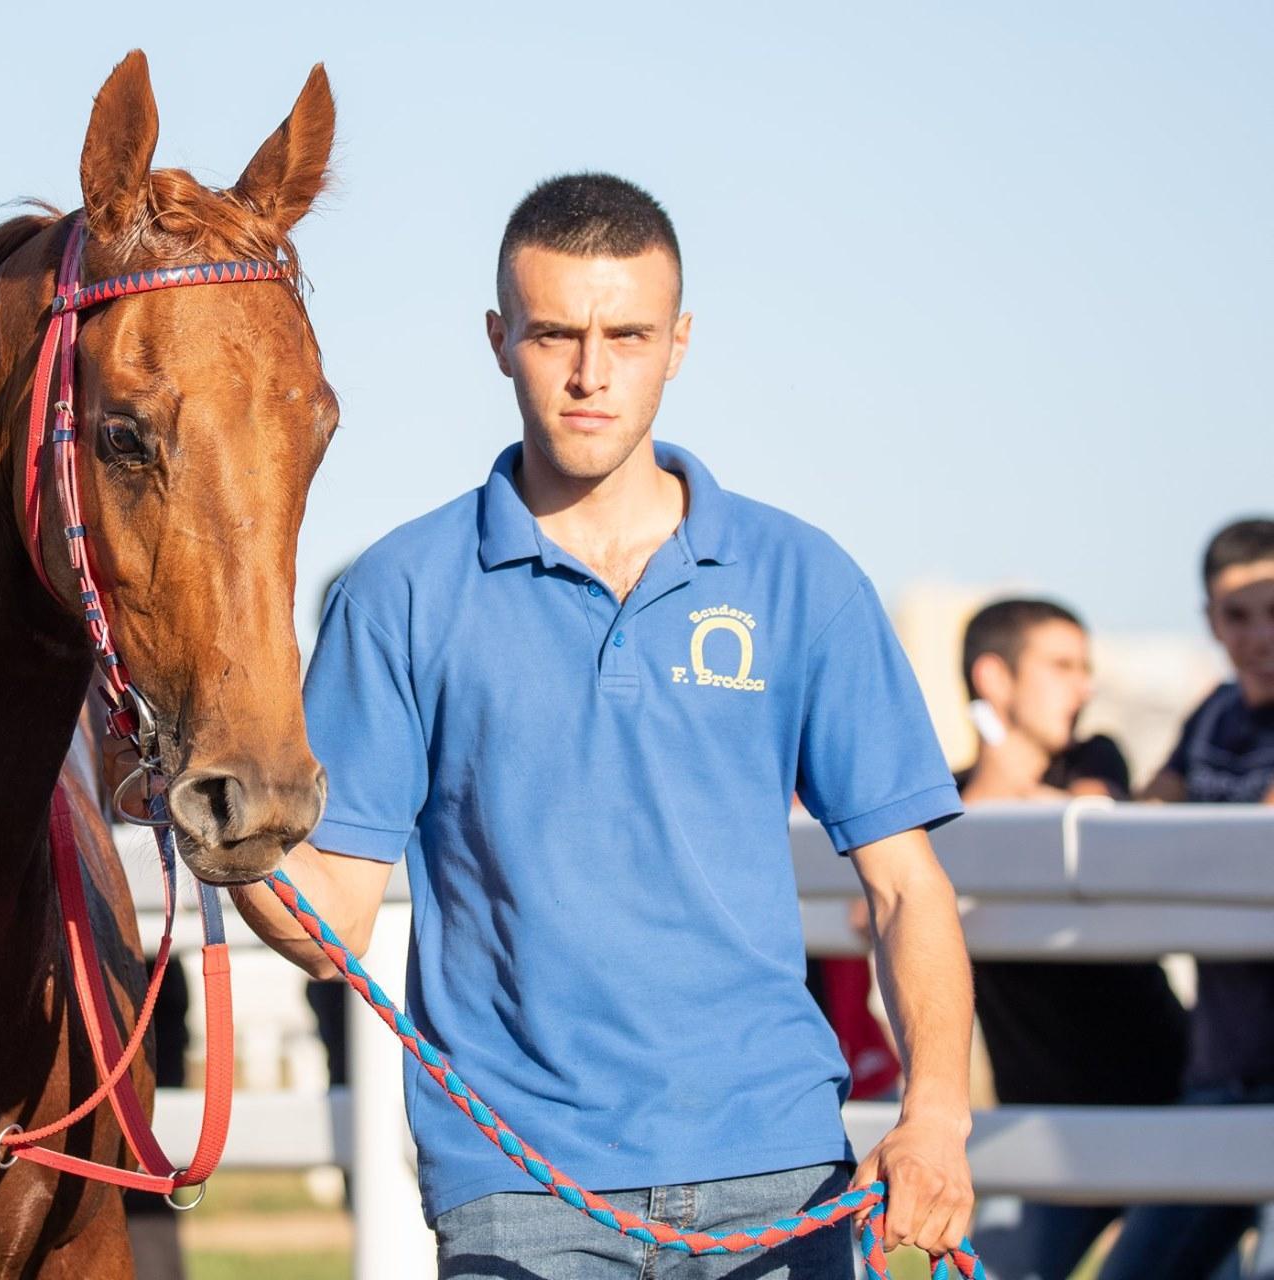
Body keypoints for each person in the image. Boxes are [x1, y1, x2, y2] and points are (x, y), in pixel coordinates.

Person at [232, 173, 976, 1276]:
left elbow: (907, 886)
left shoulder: (800, 576)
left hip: (777, 1163)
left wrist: (937, 1118)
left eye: (626, 335)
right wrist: (222, 827)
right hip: (519, 1181)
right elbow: (330, 924)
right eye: (553, 334)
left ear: (678, 344)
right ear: (499, 340)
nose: (590, 372)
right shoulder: (400, 591)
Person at [952, 599, 1188, 1280]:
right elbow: (882, 898)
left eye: (1085, 668)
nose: (1084, 687)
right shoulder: (946, 789)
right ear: (994, 678)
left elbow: (1095, 826)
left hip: (1161, 1104)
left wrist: (998, 805)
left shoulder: (1095, 754)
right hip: (1037, 1121)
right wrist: (992, 778)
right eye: (1062, 666)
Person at [1097, 519, 1274, 1280]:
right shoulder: (1213, 714)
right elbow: (1144, 827)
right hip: (1220, 1068)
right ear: (1211, 621)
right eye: (1239, 615)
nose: (1260, 635)